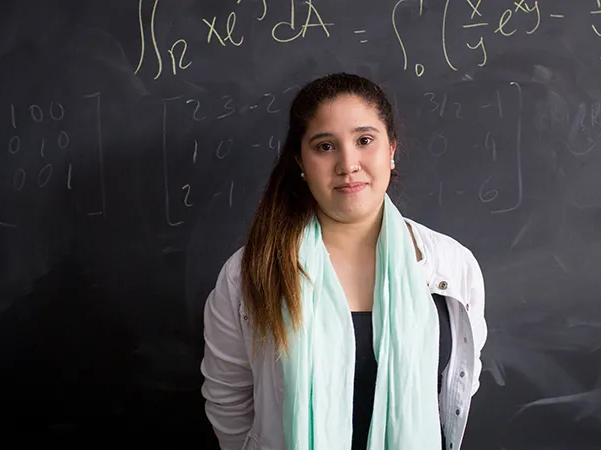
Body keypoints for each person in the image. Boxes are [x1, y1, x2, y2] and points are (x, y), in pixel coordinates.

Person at [200, 73, 488, 450]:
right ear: (301, 161)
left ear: (391, 149)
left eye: (364, 140)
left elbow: (459, 385)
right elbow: (228, 401)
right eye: (325, 146)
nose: (348, 164)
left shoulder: (452, 265)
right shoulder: (249, 272)